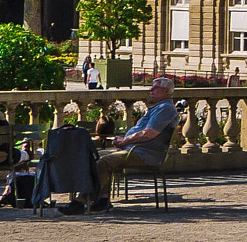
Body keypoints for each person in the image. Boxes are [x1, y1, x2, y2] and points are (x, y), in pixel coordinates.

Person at [61, 76, 179, 214]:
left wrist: (125, 141)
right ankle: (103, 200)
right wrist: (125, 140)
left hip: (145, 153)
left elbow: (149, 134)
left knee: (104, 162)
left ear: (166, 91)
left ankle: (81, 201)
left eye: (155, 87)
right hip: (136, 149)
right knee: (95, 156)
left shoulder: (165, 108)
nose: (151, 89)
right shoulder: (159, 107)